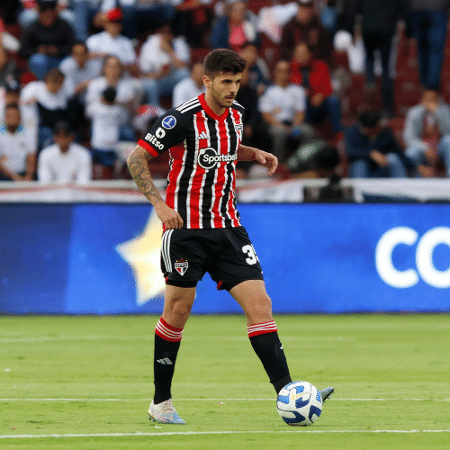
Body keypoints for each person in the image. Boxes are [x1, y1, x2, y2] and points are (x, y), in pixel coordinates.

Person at [126, 48, 334, 424]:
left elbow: (225, 148)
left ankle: (289, 393)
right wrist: (159, 204)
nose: (233, 89)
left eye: (237, 82)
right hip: (185, 230)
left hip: (228, 229)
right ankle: (161, 402)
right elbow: (135, 158)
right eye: (226, 82)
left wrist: (254, 154)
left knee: (261, 305)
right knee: (176, 312)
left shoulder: (236, 115)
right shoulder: (181, 119)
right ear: (206, 80)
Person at [259, 59, 315, 163]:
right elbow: (266, 115)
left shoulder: (298, 90)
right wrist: (282, 126)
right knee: (280, 132)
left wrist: (295, 126)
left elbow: (300, 112)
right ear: (275, 73)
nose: (283, 74)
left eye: (286, 71)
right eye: (280, 71)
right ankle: (278, 164)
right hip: (275, 124)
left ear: (290, 73)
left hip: (293, 123)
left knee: (308, 131)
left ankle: (303, 163)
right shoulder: (268, 91)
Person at [289, 41, 342, 134]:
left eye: (301, 53)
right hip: (301, 104)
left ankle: (338, 133)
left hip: (320, 102)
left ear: (309, 54)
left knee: (333, 101)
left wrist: (321, 95)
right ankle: (306, 133)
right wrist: (302, 93)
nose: (298, 55)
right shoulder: (290, 67)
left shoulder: (321, 65)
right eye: (297, 52)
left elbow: (329, 87)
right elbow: (289, 88)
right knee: (302, 99)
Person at [345, 110, 414, 178]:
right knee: (360, 164)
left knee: (392, 158)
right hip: (362, 169)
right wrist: (371, 154)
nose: (380, 127)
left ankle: (401, 186)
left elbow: (398, 151)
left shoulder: (385, 132)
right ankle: (359, 188)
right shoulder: (352, 132)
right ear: (367, 128)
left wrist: (414, 166)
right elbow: (350, 151)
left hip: (383, 168)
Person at [19, 0, 75, 80]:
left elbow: (72, 46)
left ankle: (65, 86)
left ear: (55, 14)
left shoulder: (64, 25)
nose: (48, 18)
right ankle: (42, 86)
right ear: (40, 14)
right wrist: (37, 50)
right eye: (45, 15)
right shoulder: (32, 27)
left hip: (60, 59)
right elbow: (22, 50)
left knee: (69, 62)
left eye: (51, 15)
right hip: (41, 60)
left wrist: (58, 50)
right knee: (37, 60)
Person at [138, 22, 190, 107]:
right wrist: (160, 74)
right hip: (158, 81)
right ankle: (156, 113)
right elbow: (144, 74)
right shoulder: (149, 45)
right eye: (163, 32)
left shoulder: (179, 43)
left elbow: (183, 67)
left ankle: (181, 111)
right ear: (158, 32)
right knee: (150, 84)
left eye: (169, 32)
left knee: (184, 73)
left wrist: (169, 51)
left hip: (172, 80)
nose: (166, 35)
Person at [403, 89, 450, 177]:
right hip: (421, 147)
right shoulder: (414, 113)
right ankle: (417, 181)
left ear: (438, 101)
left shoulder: (445, 110)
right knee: (410, 153)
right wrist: (425, 148)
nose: (430, 102)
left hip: (440, 146)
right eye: (427, 99)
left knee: (449, 140)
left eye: (433, 99)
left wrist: (437, 113)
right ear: (422, 100)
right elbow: (408, 138)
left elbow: (448, 131)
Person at [85, 86, 128, 179]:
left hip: (99, 144)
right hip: (113, 143)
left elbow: (88, 114)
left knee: (100, 161)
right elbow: (123, 121)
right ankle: (116, 162)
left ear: (102, 98)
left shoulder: (96, 108)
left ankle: (114, 163)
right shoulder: (119, 110)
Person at [407, 0, 449, 91]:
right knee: (435, 50)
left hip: (417, 8)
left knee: (422, 49)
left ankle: (424, 86)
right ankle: (431, 89)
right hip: (437, 8)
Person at [280, 0, 333, 64]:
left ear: (312, 10)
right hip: (294, 65)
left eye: (307, 8)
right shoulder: (289, 27)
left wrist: (313, 50)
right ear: (298, 9)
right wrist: (297, 56)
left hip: (314, 65)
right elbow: (283, 50)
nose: (304, 12)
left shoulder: (319, 27)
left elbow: (327, 50)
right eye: (302, 8)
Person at [86, 7, 137, 72]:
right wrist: (102, 55)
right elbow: (82, 58)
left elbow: (133, 67)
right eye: (112, 22)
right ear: (105, 24)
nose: (115, 26)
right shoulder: (94, 40)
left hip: (122, 79)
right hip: (98, 79)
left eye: (118, 22)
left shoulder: (126, 42)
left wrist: (117, 64)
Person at [0, 103, 36, 181]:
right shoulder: (0, 132)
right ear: (4, 118)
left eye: (15, 116)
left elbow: (31, 155)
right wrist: (14, 177)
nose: (13, 119)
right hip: (3, 175)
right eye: (10, 116)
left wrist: (28, 175)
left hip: (22, 174)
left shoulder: (27, 132)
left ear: (20, 118)